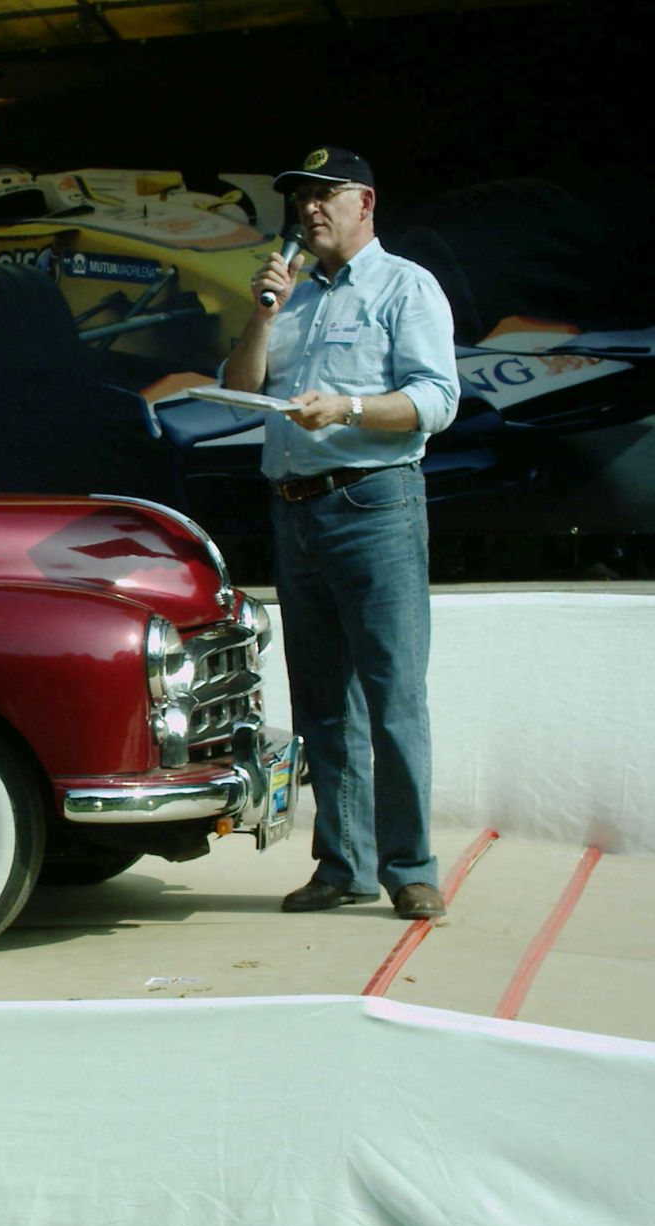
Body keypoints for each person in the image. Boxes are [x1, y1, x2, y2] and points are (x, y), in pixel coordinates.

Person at [222, 147, 460, 922]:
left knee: (394, 697)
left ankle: (411, 868)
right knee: (323, 702)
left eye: (326, 195)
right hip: (295, 511)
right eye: (301, 198)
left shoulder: (405, 285)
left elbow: (437, 400)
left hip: (374, 503)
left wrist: (348, 409)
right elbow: (239, 388)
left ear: (366, 201)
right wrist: (264, 312)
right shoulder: (287, 295)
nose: (310, 209)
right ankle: (343, 864)